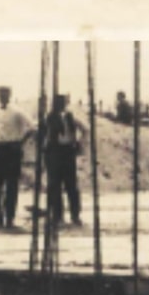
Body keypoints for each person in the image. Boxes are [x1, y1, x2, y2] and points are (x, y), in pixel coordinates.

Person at [0, 86, 34, 229]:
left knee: (11, 185)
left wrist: (21, 142)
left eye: (4, 94)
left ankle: (9, 219)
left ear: (9, 95)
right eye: (0, 94)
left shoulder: (17, 111)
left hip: (13, 149)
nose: (2, 96)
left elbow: (33, 127)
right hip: (0, 148)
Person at [44, 94, 87, 226]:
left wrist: (79, 143)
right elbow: (44, 133)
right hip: (54, 151)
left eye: (62, 103)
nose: (60, 105)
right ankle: (57, 215)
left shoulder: (70, 116)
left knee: (71, 184)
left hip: (67, 151)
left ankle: (75, 214)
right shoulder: (49, 117)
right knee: (54, 185)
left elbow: (85, 129)